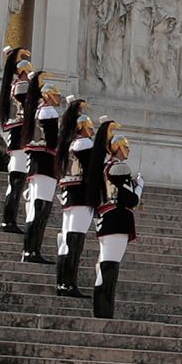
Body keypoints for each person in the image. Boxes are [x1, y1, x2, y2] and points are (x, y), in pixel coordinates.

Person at [53, 95, 103, 296]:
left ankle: (63, 282)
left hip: (70, 195)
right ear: (83, 128)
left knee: (67, 240)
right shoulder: (84, 144)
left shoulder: (69, 142)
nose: (92, 132)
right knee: (75, 240)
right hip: (81, 196)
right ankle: (68, 283)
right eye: (90, 128)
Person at [15, 75, 66, 265]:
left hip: (38, 163)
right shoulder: (50, 112)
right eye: (56, 94)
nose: (59, 97)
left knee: (36, 209)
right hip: (45, 164)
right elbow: (53, 141)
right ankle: (31, 250)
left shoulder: (38, 111)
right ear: (48, 96)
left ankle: (30, 249)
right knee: (41, 209)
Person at [92, 123, 137, 317]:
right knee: (109, 266)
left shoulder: (104, 166)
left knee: (104, 265)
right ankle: (104, 309)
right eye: (126, 147)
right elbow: (131, 199)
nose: (128, 151)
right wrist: (140, 185)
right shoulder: (119, 168)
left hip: (105, 219)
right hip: (117, 220)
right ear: (118, 147)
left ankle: (102, 308)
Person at [0, 48, 33, 230]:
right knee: (17, 181)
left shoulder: (15, 86)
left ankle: (10, 219)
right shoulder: (22, 87)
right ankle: (9, 220)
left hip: (18, 139)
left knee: (17, 181)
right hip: (20, 140)